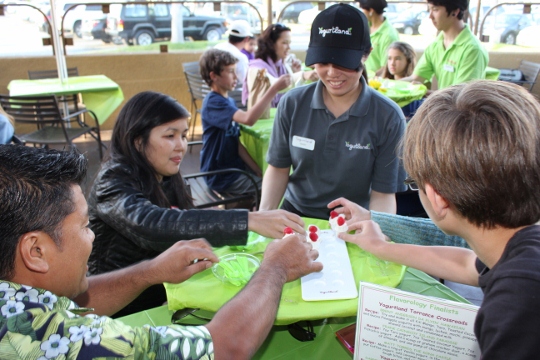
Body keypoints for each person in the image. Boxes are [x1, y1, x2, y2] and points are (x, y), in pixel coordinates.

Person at [0, 144, 322, 359]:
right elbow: (225, 346)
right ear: (36, 251)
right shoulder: (59, 341)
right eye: (85, 226)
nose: (92, 237)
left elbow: (74, 303)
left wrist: (149, 272)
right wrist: (276, 267)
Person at [331, 80, 540, 357]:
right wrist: (382, 247)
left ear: (437, 197)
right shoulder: (518, 250)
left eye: (414, 183)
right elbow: (468, 264)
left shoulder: (515, 310)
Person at [88, 91, 306, 317]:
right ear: (138, 141)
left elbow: (183, 221)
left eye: (183, 135)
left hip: (162, 292)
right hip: (121, 308)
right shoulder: (112, 180)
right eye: (169, 136)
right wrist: (248, 219)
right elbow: (153, 225)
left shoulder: (163, 172)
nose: (181, 145)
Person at [259, 3, 407, 221]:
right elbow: (278, 168)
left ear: (366, 55)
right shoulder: (292, 103)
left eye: (343, 62)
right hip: (296, 216)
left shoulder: (388, 117)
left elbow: (383, 193)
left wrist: (375, 233)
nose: (331, 73)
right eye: (322, 61)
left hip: (354, 222)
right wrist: (265, 216)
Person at [199, 49, 291, 194]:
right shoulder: (213, 103)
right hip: (222, 175)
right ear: (214, 76)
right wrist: (273, 89)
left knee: (272, 180)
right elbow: (249, 119)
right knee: (274, 190)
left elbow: (236, 143)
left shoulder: (227, 101)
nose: (236, 76)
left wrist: (257, 169)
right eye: (230, 72)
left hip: (234, 169)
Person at [400, 0, 488, 90]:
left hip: (458, 103)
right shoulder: (436, 45)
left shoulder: (472, 50)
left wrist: (427, 93)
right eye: (429, 9)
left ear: (455, 11)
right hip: (442, 101)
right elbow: (416, 78)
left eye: (435, 9)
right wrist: (387, 85)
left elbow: (460, 96)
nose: (430, 16)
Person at [241, 23, 318, 108]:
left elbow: (291, 93)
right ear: (271, 44)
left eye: (289, 43)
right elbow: (274, 84)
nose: (289, 47)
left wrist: (297, 71)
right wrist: (302, 75)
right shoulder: (256, 67)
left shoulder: (282, 65)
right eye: (284, 43)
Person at [359, 0, 400, 74]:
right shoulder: (364, 27)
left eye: (362, 9)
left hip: (374, 82)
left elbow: (386, 68)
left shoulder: (389, 36)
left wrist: (368, 79)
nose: (361, 12)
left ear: (371, 11)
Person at [213, 19, 253, 85]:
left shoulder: (216, 47)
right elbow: (248, 84)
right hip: (229, 93)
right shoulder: (240, 57)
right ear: (247, 38)